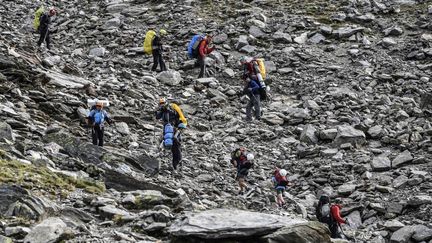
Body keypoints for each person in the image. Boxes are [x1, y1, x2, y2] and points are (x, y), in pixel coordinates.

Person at [155, 98, 187, 170]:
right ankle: (163, 162)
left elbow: (180, 116)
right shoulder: (162, 110)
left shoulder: (173, 107)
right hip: (166, 130)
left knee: (176, 144)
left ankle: (177, 163)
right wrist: (158, 110)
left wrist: (182, 125)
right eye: (161, 104)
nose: (162, 105)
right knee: (167, 144)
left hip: (175, 128)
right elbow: (157, 116)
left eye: (163, 103)